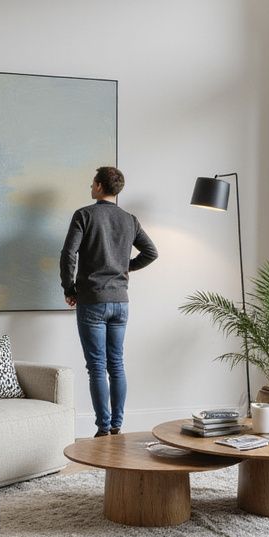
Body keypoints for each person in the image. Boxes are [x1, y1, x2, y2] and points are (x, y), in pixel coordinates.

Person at [59, 166, 158, 436]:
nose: (91, 186)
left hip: (92, 300)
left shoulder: (84, 215)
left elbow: (69, 254)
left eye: (93, 182)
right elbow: (151, 253)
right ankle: (117, 425)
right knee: (116, 363)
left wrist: (69, 288)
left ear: (101, 187)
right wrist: (124, 267)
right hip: (121, 302)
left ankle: (103, 427)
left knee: (97, 367)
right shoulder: (129, 219)